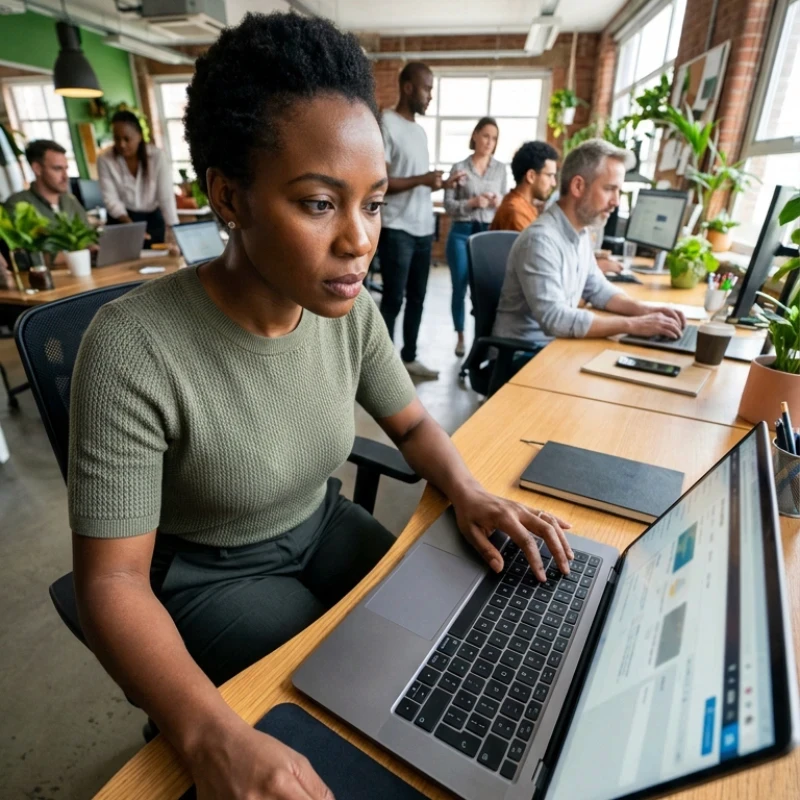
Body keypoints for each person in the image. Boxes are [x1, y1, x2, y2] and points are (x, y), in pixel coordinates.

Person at [69, 14, 574, 800]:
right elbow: (110, 584)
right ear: (230, 197)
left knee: (455, 634)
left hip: (319, 523)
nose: (359, 241)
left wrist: (470, 491)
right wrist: (207, 736)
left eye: (372, 204)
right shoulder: (132, 348)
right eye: (318, 204)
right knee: (333, 718)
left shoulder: (350, 312)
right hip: (211, 571)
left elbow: (409, 423)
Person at [493, 138, 686, 353]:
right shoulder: (540, 240)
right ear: (578, 186)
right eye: (609, 189)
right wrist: (633, 325)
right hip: (522, 357)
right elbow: (555, 319)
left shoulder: (581, 233)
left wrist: (644, 310)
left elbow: (597, 288)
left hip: (555, 347)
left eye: (618, 191)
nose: (616, 201)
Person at [378, 62, 465, 380]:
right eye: (427, 88)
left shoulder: (419, 130)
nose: (431, 96)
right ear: (408, 87)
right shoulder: (386, 122)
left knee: (418, 298)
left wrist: (442, 183)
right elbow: (383, 181)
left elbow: (420, 180)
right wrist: (423, 179)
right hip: (396, 228)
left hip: (422, 228)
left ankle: (409, 358)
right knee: (393, 299)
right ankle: (382, 369)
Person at [444, 117, 506, 357]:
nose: (489, 142)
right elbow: (449, 205)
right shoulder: (459, 167)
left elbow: (504, 204)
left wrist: (497, 202)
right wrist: (471, 202)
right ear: (475, 136)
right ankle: (460, 336)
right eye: (486, 136)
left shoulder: (501, 169)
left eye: (494, 138)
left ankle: (482, 338)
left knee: (484, 289)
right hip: (461, 232)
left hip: (487, 233)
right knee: (459, 287)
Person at [97, 110, 179, 246]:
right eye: (117, 138)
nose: (122, 144)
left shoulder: (157, 156)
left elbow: (166, 198)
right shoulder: (105, 160)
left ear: (139, 136)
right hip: (121, 220)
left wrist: (173, 229)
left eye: (127, 139)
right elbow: (111, 200)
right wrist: (133, 229)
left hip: (152, 220)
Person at [4, 139, 88, 223]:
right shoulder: (17, 205)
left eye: (66, 169)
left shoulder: (71, 201)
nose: (65, 177)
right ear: (37, 169)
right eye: (57, 169)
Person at [490, 140, 558, 233]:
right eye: (549, 175)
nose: (553, 183)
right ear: (531, 176)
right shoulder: (516, 212)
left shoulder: (524, 205)